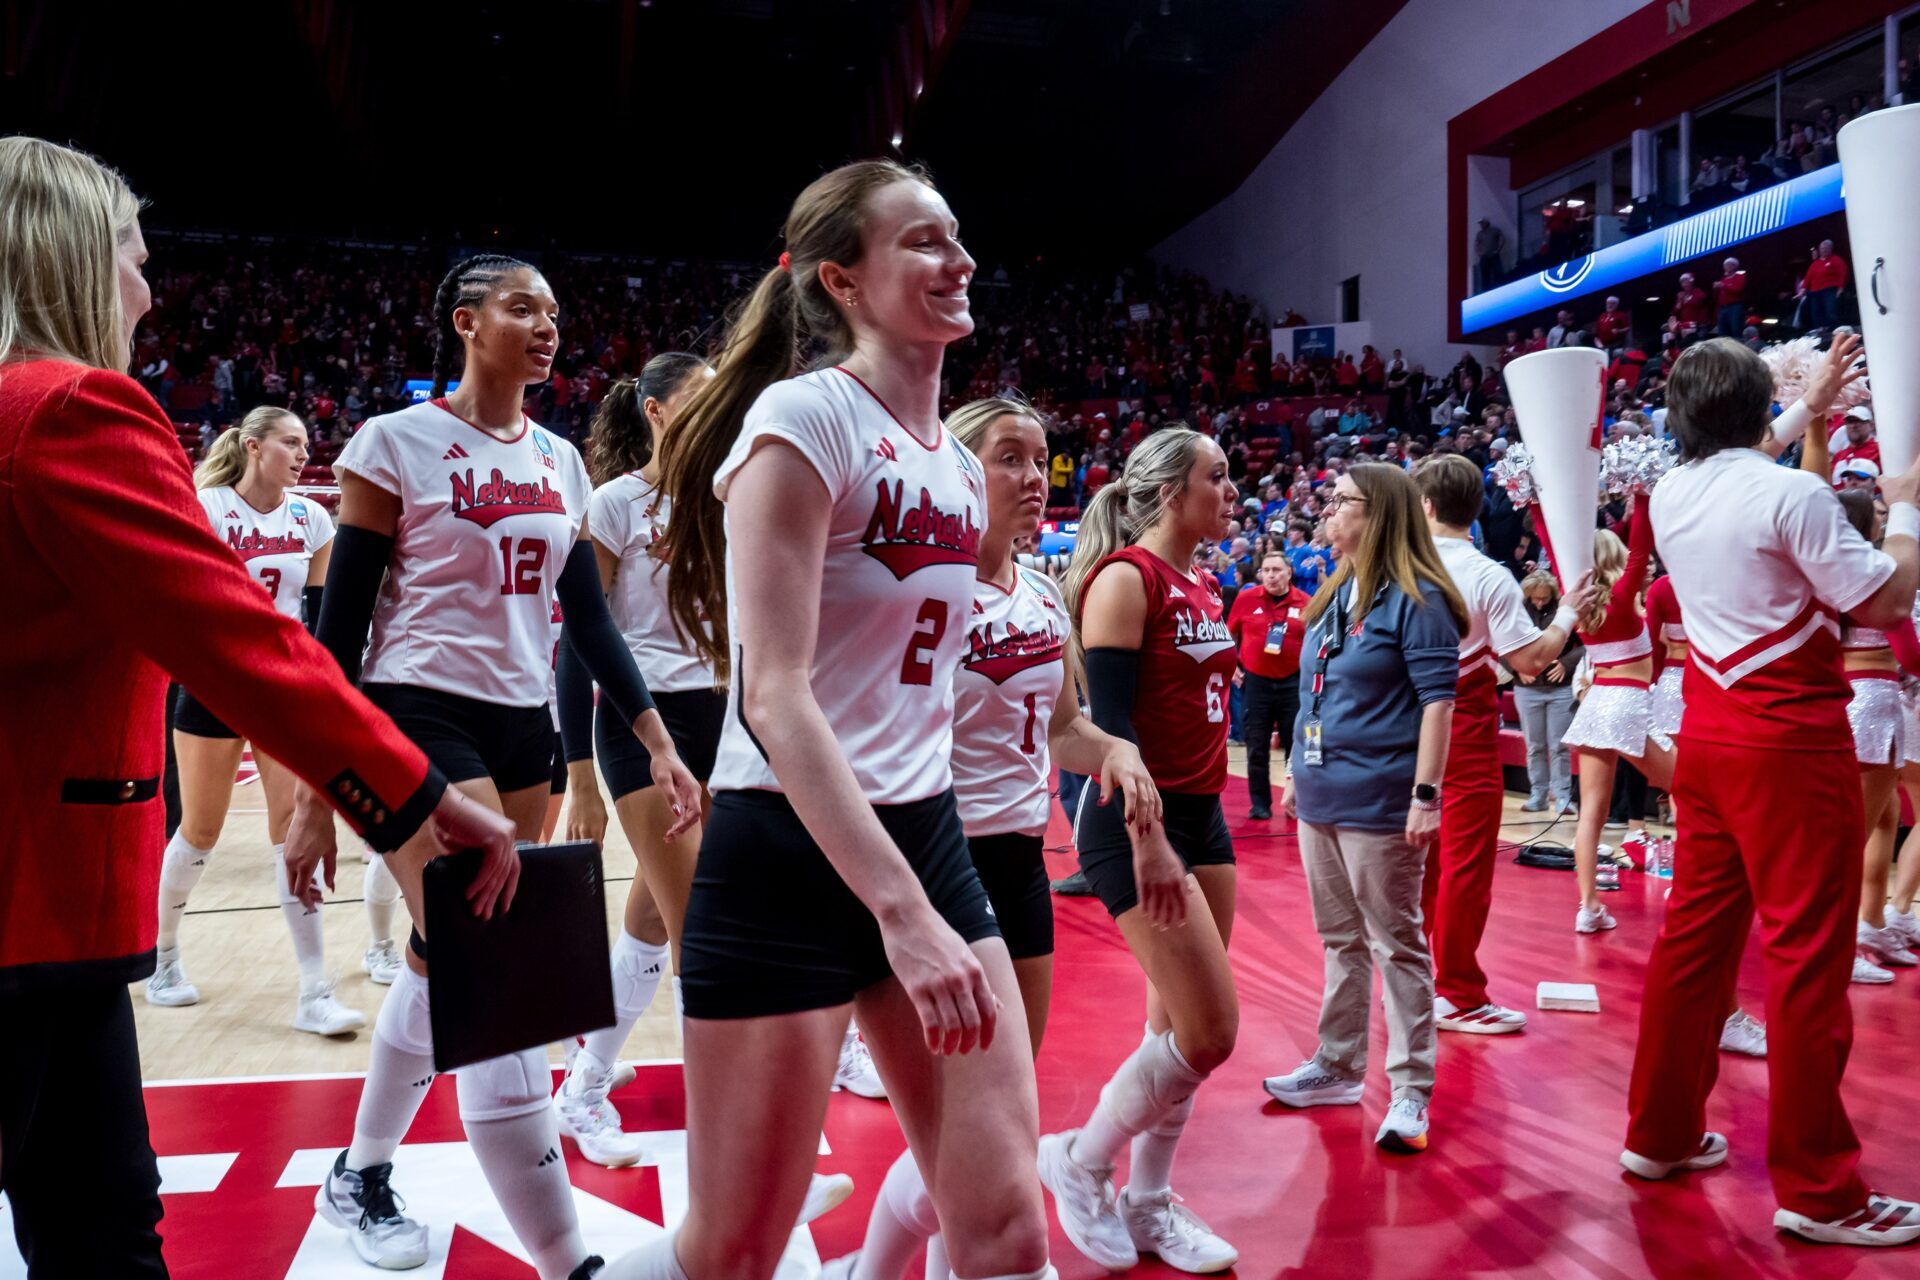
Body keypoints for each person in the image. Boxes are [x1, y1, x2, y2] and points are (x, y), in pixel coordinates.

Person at [0, 135, 515, 1279]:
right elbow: (242, 638)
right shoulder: (73, 407)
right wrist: (412, 796)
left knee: (107, 1222)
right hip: (31, 906)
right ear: (75, 264)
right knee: (102, 1230)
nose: (148, 285)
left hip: (52, 916)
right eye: (134, 258)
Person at [607, 160, 1056, 1280]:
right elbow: (774, 691)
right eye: (921, 241)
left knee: (1006, 1229)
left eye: (957, 236)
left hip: (927, 837)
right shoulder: (804, 418)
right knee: (735, 1251)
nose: (956, 260)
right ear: (842, 279)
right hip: (787, 856)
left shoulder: (956, 462)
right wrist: (899, 916)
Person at [304, 253, 700, 1278]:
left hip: (522, 721)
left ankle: (359, 1170)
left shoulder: (563, 461)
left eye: (556, 311)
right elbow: (336, 632)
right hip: (417, 711)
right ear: (467, 321)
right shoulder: (394, 442)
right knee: (504, 967)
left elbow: (593, 622)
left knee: (448, 960)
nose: (548, 324)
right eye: (524, 307)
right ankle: (573, 1261)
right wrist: (313, 791)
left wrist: (651, 737)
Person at [826, 395, 1161, 1280]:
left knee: (988, 1136)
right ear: (957, 468)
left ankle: (875, 1271)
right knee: (968, 1148)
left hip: (1020, 866)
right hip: (939, 865)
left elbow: (1063, 731)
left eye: (1040, 457)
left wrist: (1115, 751)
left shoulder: (1045, 593)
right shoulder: (904, 590)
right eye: (1007, 456)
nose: (1031, 476)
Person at [1624, 337, 1920, 1247]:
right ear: (1761, 411)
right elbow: (1885, 602)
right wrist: (1905, 516)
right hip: (1790, 744)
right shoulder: (1792, 492)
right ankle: (1821, 1190)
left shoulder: (1671, 491)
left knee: (1692, 948)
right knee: (1805, 963)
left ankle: (1660, 1137)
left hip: (1708, 738)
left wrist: (1813, 407)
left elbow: (1742, 466)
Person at [1037, 426, 1243, 1273]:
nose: (1230, 493)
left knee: (1175, 1025)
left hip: (1204, 813)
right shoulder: (1127, 580)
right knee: (1210, 1031)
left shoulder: (1203, 579)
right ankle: (1081, 1161)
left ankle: (1149, 1201)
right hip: (1135, 819)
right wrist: (1147, 839)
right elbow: (1110, 731)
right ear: (1169, 492)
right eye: (1217, 478)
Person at [146, 405, 395, 1037]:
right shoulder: (205, 508)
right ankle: (164, 957)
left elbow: (318, 617)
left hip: (280, 690)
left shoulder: (313, 518)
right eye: (291, 442)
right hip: (213, 684)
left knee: (292, 834)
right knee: (199, 833)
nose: (303, 452)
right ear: (253, 447)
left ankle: (315, 991)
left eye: (306, 442)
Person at [550, 356, 729, 1165]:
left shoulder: (734, 499)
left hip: (729, 720)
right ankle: (736, 1144)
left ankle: (583, 1085)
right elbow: (579, 644)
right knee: (707, 930)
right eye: (701, 395)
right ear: (656, 412)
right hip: (642, 725)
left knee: (656, 918)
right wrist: (580, 777)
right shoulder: (615, 503)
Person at [1263, 464, 1462, 1154]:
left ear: (1377, 514)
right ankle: (1338, 1065)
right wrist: (1293, 768)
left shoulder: (1421, 597)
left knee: (1396, 943)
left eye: (1341, 501)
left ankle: (1410, 1092)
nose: (1326, 511)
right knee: (1340, 940)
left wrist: (1426, 795)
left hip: (1382, 799)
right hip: (1322, 791)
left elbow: (1439, 704)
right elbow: (1312, 696)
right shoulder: (1334, 590)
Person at [1415, 455, 1589, 1035]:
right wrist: (1566, 616)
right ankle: (1458, 993)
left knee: (1419, 863)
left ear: (1426, 506)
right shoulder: (1487, 574)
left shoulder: (1388, 565)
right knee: (1464, 865)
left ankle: (1410, 978)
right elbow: (1533, 662)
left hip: (1396, 726)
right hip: (1461, 724)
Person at [1536, 489, 1674, 933]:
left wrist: (1538, 506)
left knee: (1591, 811)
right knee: (1692, 787)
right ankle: (1691, 886)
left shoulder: (1578, 605)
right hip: (1629, 703)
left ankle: (1588, 908)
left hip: (1596, 705)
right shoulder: (1623, 593)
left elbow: (1559, 558)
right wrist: (1642, 499)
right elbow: (1641, 548)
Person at [1227, 551, 1310, 820]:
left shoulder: (1307, 602)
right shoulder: (1246, 599)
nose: (1271, 575)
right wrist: (1232, 667)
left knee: (1296, 744)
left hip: (1293, 683)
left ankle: (1297, 800)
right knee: (1257, 744)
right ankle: (1260, 804)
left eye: (1277, 570)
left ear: (1289, 573)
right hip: (1257, 683)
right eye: (1266, 570)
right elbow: (1228, 635)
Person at [1513, 571, 1579, 813]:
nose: (1540, 602)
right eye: (1535, 598)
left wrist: (1566, 663)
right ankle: (1538, 795)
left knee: (1559, 745)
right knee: (1535, 745)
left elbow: (1584, 645)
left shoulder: (1565, 609)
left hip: (1560, 688)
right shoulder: (1518, 610)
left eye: (1544, 598)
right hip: (1527, 689)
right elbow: (1502, 643)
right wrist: (1517, 668)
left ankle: (1562, 796)